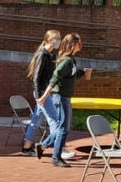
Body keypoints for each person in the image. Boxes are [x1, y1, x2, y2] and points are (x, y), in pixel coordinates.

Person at [35, 33, 90, 167]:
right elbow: (55, 78)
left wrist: (82, 73)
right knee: (63, 128)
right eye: (79, 41)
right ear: (74, 44)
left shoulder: (71, 60)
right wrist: (43, 97)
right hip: (60, 97)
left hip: (64, 97)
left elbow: (70, 76)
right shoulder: (67, 61)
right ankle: (56, 157)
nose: (81, 43)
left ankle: (42, 146)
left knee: (62, 127)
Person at [21, 30, 60, 157]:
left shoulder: (49, 55)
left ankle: (26, 147)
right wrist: (39, 96)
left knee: (36, 120)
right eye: (56, 38)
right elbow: (36, 77)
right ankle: (58, 148)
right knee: (54, 120)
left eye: (59, 38)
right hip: (42, 92)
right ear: (49, 40)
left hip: (44, 91)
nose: (58, 41)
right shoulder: (42, 55)